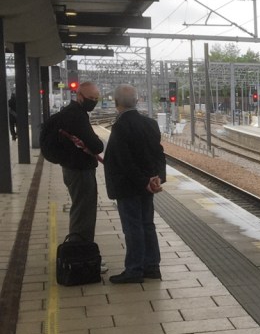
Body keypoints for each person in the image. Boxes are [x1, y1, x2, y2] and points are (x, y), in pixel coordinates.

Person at [104, 84, 166, 284]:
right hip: (148, 184)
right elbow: (159, 154)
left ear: (116, 103)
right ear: (137, 101)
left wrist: (142, 182)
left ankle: (134, 269)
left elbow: (125, 161)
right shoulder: (150, 123)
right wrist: (157, 179)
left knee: (133, 227)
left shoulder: (120, 126)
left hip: (129, 186)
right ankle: (152, 267)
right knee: (147, 224)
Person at [41, 82, 105, 243]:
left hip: (71, 168)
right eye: (91, 98)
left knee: (80, 209)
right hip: (80, 171)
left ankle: (79, 250)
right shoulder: (77, 115)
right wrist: (95, 141)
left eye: (96, 98)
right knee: (84, 213)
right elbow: (97, 146)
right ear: (79, 95)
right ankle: (81, 254)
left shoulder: (69, 113)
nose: (93, 101)